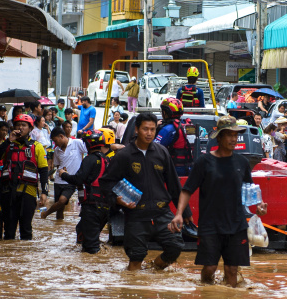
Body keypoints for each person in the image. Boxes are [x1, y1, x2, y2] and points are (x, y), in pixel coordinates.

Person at [172, 116, 268, 287]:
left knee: (232, 270)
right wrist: (179, 214)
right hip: (210, 225)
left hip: (237, 224)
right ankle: (207, 297)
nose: (233, 139)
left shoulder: (242, 163)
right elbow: (187, 190)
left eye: (235, 135)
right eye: (229, 135)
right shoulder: (204, 162)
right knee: (209, 267)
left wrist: (259, 206)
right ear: (219, 137)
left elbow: (250, 191)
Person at [100, 112, 185, 271]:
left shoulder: (162, 152)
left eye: (153, 129)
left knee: (175, 246)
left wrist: (184, 213)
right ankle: (134, 288)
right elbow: (106, 182)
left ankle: (155, 267)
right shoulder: (124, 155)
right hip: (136, 215)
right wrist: (117, 199)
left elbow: (174, 184)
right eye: (145, 129)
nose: (149, 133)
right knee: (136, 257)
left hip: (162, 213)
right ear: (137, 130)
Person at [0, 114, 50, 240]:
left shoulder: (37, 147)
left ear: (30, 129)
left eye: (24, 125)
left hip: (28, 192)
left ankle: (24, 258)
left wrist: (44, 192)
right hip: (8, 192)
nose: (20, 128)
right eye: (18, 125)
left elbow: (44, 171)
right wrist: (8, 141)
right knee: (9, 230)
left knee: (26, 229)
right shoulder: (8, 144)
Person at [59, 130, 111, 253]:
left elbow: (78, 179)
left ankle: (93, 268)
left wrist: (64, 174)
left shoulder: (90, 159)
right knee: (81, 231)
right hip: (105, 206)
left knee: (91, 247)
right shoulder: (107, 159)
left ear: (88, 144)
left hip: (92, 207)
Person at [41, 127, 86, 220]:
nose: (55, 143)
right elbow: (58, 166)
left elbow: (88, 152)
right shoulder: (57, 150)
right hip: (58, 181)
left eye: (55, 141)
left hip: (71, 181)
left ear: (61, 136)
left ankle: (46, 214)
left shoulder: (77, 143)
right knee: (59, 209)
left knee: (62, 201)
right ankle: (59, 229)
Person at [154, 98, 194, 176]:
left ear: (165, 112)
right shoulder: (188, 125)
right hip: (189, 168)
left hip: (173, 169)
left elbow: (154, 147)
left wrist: (154, 128)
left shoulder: (167, 129)